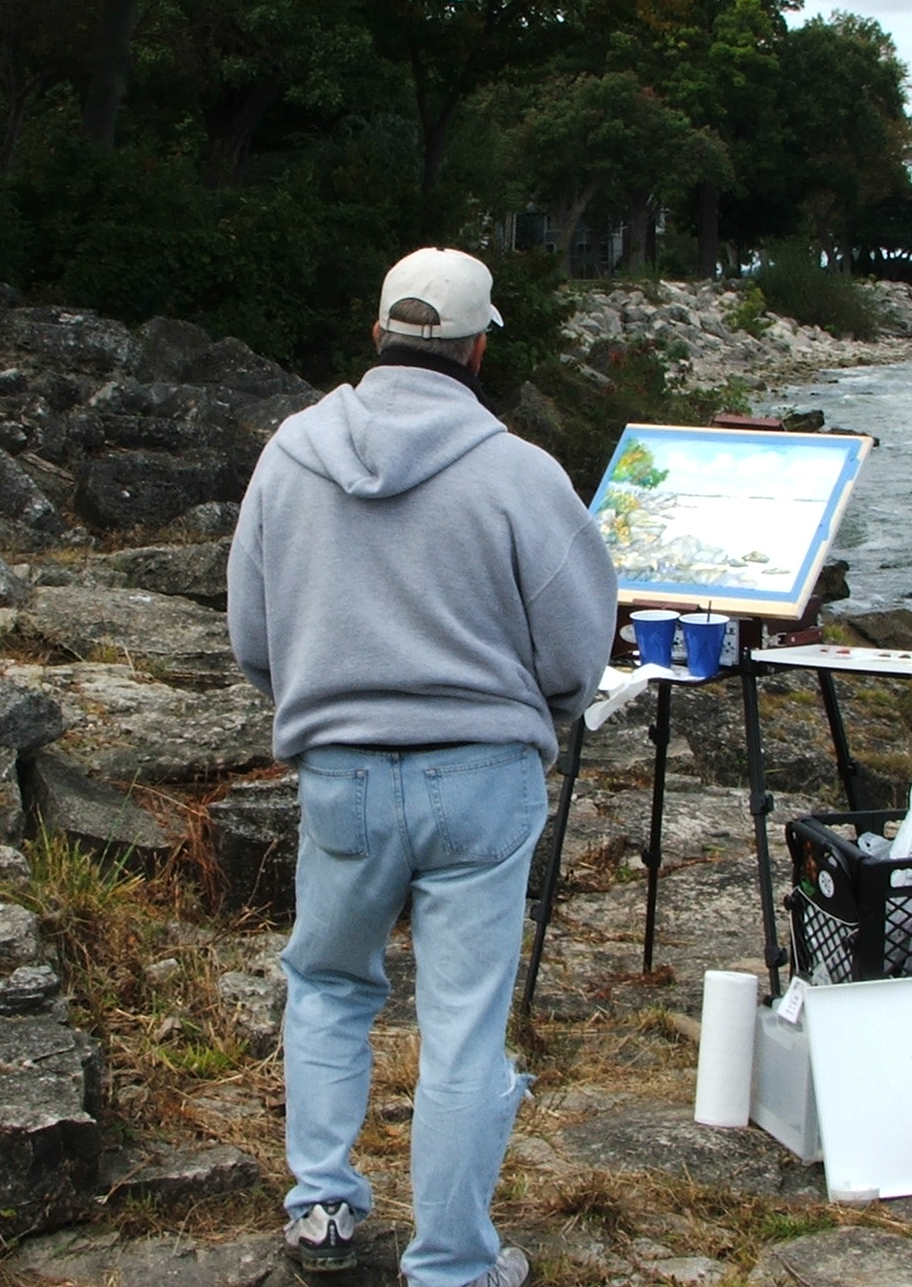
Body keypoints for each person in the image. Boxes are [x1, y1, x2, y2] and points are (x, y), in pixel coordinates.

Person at [227, 246, 619, 1287]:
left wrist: (324, 701)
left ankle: (320, 1208)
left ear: (377, 337)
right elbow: (577, 647)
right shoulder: (519, 473)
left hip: (342, 774)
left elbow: (252, 631)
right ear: (479, 347)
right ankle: (451, 1264)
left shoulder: (291, 454)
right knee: (461, 1027)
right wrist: (543, 713)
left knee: (326, 985)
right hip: (481, 778)